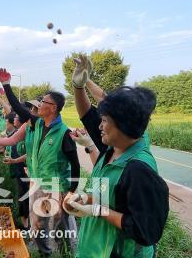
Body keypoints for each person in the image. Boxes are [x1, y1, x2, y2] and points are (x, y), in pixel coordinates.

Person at [63, 55, 169, 258]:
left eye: (104, 120)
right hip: (94, 249)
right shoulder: (112, 148)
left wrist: (96, 210)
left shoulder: (138, 170)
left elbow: (144, 230)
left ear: (123, 123)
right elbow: (93, 111)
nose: (99, 126)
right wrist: (84, 198)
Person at [0, 68, 80, 255]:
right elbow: (17, 108)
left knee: (61, 227)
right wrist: (6, 85)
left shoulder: (64, 134)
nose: (39, 104)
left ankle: (68, 252)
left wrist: (71, 192)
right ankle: (44, 253)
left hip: (57, 187)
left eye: (43, 102)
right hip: (37, 183)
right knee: (38, 223)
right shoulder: (37, 123)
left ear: (53, 108)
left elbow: (75, 165)